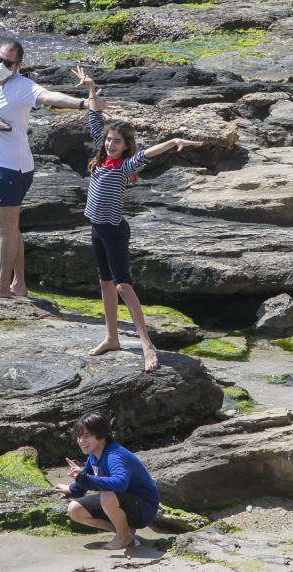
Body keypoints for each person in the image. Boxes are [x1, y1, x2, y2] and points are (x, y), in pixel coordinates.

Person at [0, 0, 99, 300]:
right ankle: (19, 284)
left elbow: (50, 97)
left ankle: (2, 286)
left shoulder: (23, 87)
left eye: (8, 62)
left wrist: (84, 102)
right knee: (12, 227)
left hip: (10, 169)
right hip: (4, 164)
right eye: (0, 59)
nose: (2, 64)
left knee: (5, 231)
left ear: (18, 65)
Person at [74, 67, 202, 372]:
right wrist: (91, 89)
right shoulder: (100, 156)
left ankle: (147, 345)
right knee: (105, 283)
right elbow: (94, 118)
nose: (110, 144)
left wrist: (172, 141)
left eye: (116, 142)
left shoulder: (124, 166)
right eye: (109, 140)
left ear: (125, 146)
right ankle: (112, 338)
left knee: (122, 286)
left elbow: (148, 155)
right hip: (96, 229)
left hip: (115, 231)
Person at [55, 412, 160, 550]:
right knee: (75, 510)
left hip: (144, 509)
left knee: (108, 496)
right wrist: (72, 488)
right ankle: (124, 532)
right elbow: (85, 479)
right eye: (79, 437)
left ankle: (124, 536)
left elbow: (120, 483)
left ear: (101, 435)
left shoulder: (114, 455)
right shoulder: (94, 454)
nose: (81, 441)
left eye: (87, 436)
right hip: (120, 502)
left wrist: (85, 478)